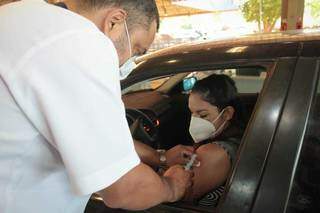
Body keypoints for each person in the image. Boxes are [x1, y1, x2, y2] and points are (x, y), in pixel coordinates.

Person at [0, 1, 192, 212]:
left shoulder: (17, 15)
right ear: (114, 22)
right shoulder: (82, 42)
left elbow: (93, 136)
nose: (130, 60)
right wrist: (172, 186)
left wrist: (158, 157)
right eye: (136, 49)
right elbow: (126, 188)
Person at [185, 74, 246, 200]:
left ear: (227, 113)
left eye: (203, 115)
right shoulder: (240, 135)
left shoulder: (214, 153)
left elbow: (179, 194)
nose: (195, 122)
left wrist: (161, 161)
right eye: (192, 113)